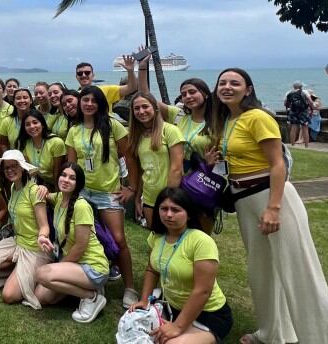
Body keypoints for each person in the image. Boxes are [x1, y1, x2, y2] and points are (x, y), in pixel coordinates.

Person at [211, 68, 328, 344]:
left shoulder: (258, 117)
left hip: (272, 197)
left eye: (235, 83)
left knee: (298, 270)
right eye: (223, 83)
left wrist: (274, 207)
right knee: (261, 271)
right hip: (244, 200)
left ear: (248, 89)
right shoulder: (230, 120)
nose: (227, 87)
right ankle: (273, 333)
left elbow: (278, 163)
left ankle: (322, 336)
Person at [64, 86, 138, 308]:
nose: (88, 104)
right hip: (84, 192)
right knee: (85, 238)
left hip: (108, 192)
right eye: (85, 99)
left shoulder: (113, 125)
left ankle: (130, 288)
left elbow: (130, 158)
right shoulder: (74, 130)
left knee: (118, 239)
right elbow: (72, 166)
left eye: (93, 100)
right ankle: (94, 278)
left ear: (100, 104)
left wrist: (131, 188)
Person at [128, 187, 233, 343]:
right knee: (131, 326)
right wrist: (144, 300)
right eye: (164, 209)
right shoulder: (156, 236)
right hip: (173, 308)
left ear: (189, 213)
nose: (169, 214)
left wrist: (177, 326)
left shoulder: (201, 241)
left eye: (176, 210)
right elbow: (152, 270)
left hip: (209, 313)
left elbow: (202, 291)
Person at [138, 73, 217, 233]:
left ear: (205, 94)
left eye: (192, 92)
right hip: (179, 180)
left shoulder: (216, 122)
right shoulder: (179, 116)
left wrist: (212, 163)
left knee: (199, 231)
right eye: (184, 94)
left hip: (202, 181)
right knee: (175, 230)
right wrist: (141, 67)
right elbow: (147, 97)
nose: (188, 96)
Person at [34, 163, 109, 323]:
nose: (66, 180)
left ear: (78, 184)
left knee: (42, 274)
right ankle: (85, 288)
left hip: (93, 266)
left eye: (72, 178)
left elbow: (81, 246)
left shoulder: (81, 206)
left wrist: (59, 265)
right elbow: (46, 195)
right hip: (75, 265)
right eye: (63, 175)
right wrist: (43, 188)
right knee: (41, 297)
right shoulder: (60, 198)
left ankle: (92, 297)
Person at [0, 150, 53, 310]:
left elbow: (44, 225)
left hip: (34, 247)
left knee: (9, 295)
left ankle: (26, 273)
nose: (10, 170)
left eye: (14, 166)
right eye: (6, 168)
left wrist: (42, 237)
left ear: (23, 168)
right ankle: (19, 270)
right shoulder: (14, 187)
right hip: (17, 241)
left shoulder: (35, 191)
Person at [127, 92, 184, 229]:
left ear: (155, 108)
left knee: (174, 239)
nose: (141, 111)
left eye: (145, 106)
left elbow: (176, 168)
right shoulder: (137, 136)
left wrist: (169, 199)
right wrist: (138, 197)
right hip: (149, 197)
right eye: (137, 108)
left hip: (170, 197)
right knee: (156, 238)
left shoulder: (170, 131)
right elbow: (142, 170)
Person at [17, 110, 66, 187]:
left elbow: (57, 173)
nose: (32, 126)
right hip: (38, 183)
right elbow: (31, 172)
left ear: (42, 124)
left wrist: (56, 195)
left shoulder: (56, 142)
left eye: (35, 122)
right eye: (27, 124)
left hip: (56, 184)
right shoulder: (25, 143)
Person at [283, 81, 314, 148]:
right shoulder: (305, 92)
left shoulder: (289, 93)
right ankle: (306, 146)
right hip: (303, 112)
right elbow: (311, 102)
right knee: (305, 129)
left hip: (293, 112)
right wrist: (312, 109)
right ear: (301, 87)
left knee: (293, 128)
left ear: (294, 87)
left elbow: (285, 104)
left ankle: (292, 145)